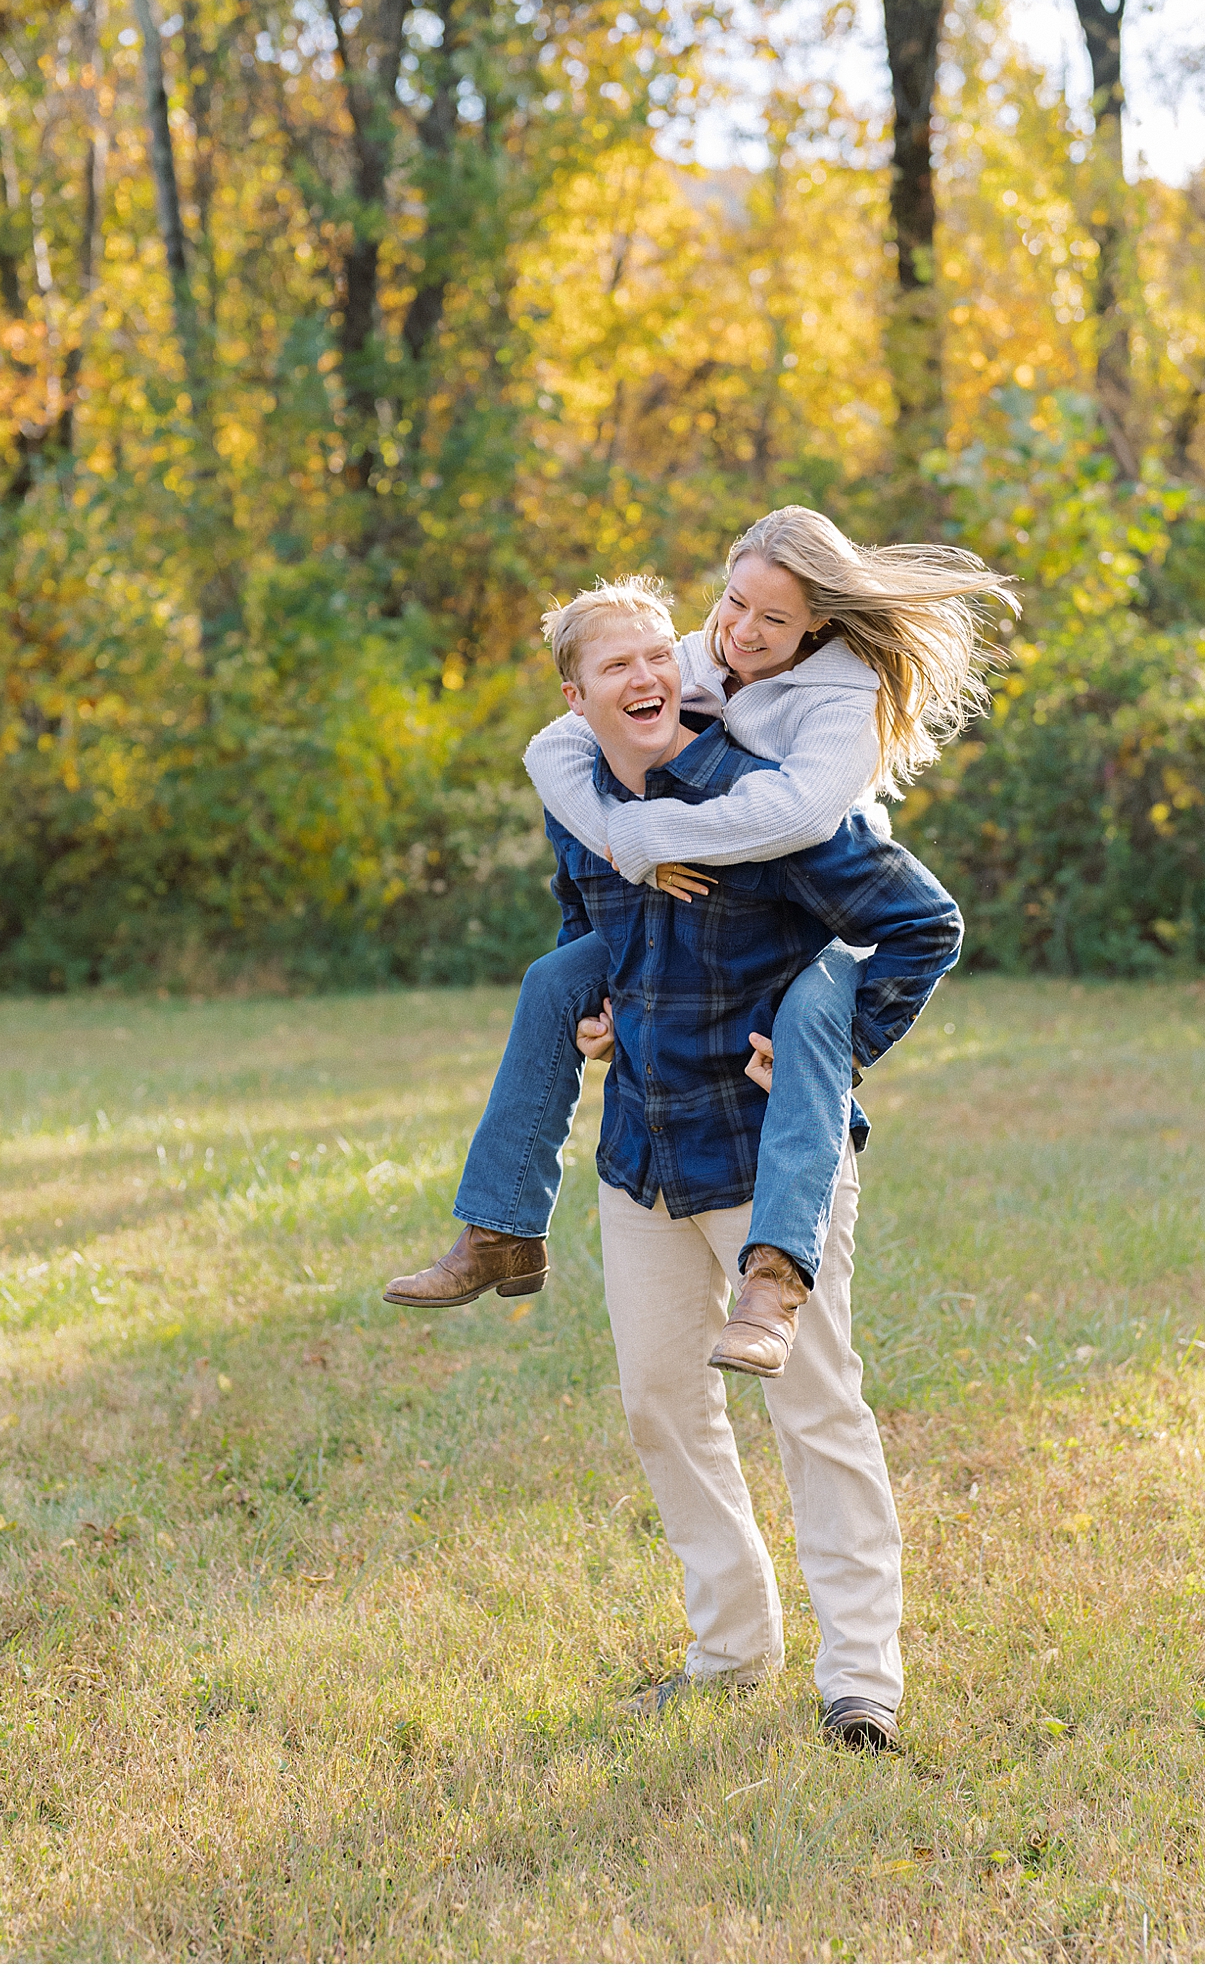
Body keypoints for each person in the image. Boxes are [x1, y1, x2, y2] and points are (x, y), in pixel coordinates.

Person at [392, 582, 963, 1747]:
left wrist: (843, 1045)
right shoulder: (583, 802)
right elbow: (579, 924)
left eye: (663, 653)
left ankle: (860, 1679)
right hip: (640, 1153)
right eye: (619, 666)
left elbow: (923, 922)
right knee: (660, 1402)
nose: (649, 676)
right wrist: (590, 1006)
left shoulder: (768, 799)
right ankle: (732, 1646)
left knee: (815, 1411)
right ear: (579, 697)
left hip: (764, 1158)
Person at [383, 510, 1011, 1379]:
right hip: (679, 873)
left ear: (816, 624)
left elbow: (800, 817)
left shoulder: (841, 692)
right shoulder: (697, 653)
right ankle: (500, 1228)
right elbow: (558, 746)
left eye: (772, 620)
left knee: (811, 1027)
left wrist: (651, 838)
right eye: (733, 603)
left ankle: (778, 1275)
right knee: (554, 979)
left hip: (816, 893)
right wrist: (621, 845)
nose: (742, 633)